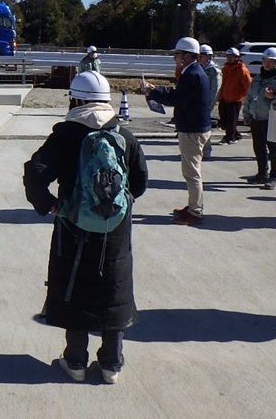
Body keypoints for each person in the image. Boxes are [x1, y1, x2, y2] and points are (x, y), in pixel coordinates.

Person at [23, 71, 148, 385]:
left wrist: (48, 204)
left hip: (73, 224)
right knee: (114, 289)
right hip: (115, 227)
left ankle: (75, 362)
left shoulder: (65, 136)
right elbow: (141, 182)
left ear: (76, 99)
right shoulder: (125, 136)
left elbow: (35, 172)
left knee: (75, 287)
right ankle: (111, 365)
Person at [144, 37, 210, 225]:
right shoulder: (193, 72)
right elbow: (179, 96)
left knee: (191, 172)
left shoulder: (191, 75)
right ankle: (193, 206)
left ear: (188, 55)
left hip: (192, 130)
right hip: (194, 127)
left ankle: (195, 212)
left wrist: (153, 92)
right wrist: (157, 90)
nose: (175, 57)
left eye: (178, 53)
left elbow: (176, 99)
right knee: (191, 170)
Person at [243, 47, 276, 190]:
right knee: (259, 148)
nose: (267, 64)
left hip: (272, 119)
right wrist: (247, 114)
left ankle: (274, 177)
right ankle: (262, 174)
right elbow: (249, 97)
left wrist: (274, 98)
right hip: (257, 118)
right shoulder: (258, 78)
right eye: (265, 60)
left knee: (274, 150)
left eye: (271, 61)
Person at [217, 48, 251, 145]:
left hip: (235, 99)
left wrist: (244, 96)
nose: (229, 59)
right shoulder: (225, 68)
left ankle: (229, 138)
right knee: (224, 120)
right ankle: (236, 134)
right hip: (224, 97)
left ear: (237, 57)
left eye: (232, 57)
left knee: (232, 120)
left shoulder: (242, 70)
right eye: (228, 57)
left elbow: (247, 85)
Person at [197, 44, 221, 159]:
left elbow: (215, 90)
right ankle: (196, 151)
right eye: (199, 55)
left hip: (206, 104)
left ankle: (206, 151)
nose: (200, 58)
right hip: (197, 103)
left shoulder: (214, 71)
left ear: (209, 56)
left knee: (204, 129)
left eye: (202, 55)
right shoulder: (198, 68)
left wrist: (209, 105)